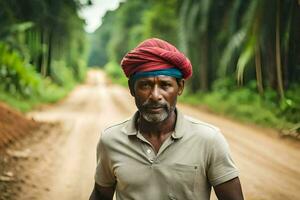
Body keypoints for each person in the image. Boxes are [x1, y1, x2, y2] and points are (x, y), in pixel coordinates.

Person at [89, 38, 244, 200]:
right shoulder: (111, 140)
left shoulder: (209, 139)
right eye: (145, 85)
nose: (155, 96)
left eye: (165, 85)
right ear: (131, 89)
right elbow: (100, 194)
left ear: (180, 87)